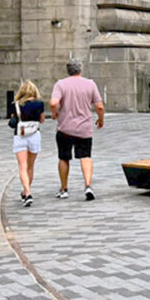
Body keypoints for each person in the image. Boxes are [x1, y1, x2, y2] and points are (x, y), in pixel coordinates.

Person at [50, 58, 104, 200]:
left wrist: (55, 114)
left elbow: (53, 102)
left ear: (68, 70)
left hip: (65, 128)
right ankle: (87, 185)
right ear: (81, 69)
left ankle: (64, 189)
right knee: (85, 156)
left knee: (64, 157)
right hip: (84, 128)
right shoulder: (90, 84)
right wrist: (100, 119)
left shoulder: (60, 84)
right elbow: (99, 106)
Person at [11, 80, 46, 207]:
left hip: (20, 135)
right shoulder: (39, 104)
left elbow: (13, 119)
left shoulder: (16, 104)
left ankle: (27, 192)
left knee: (22, 166)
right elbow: (42, 120)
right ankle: (26, 192)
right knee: (30, 166)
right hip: (34, 135)